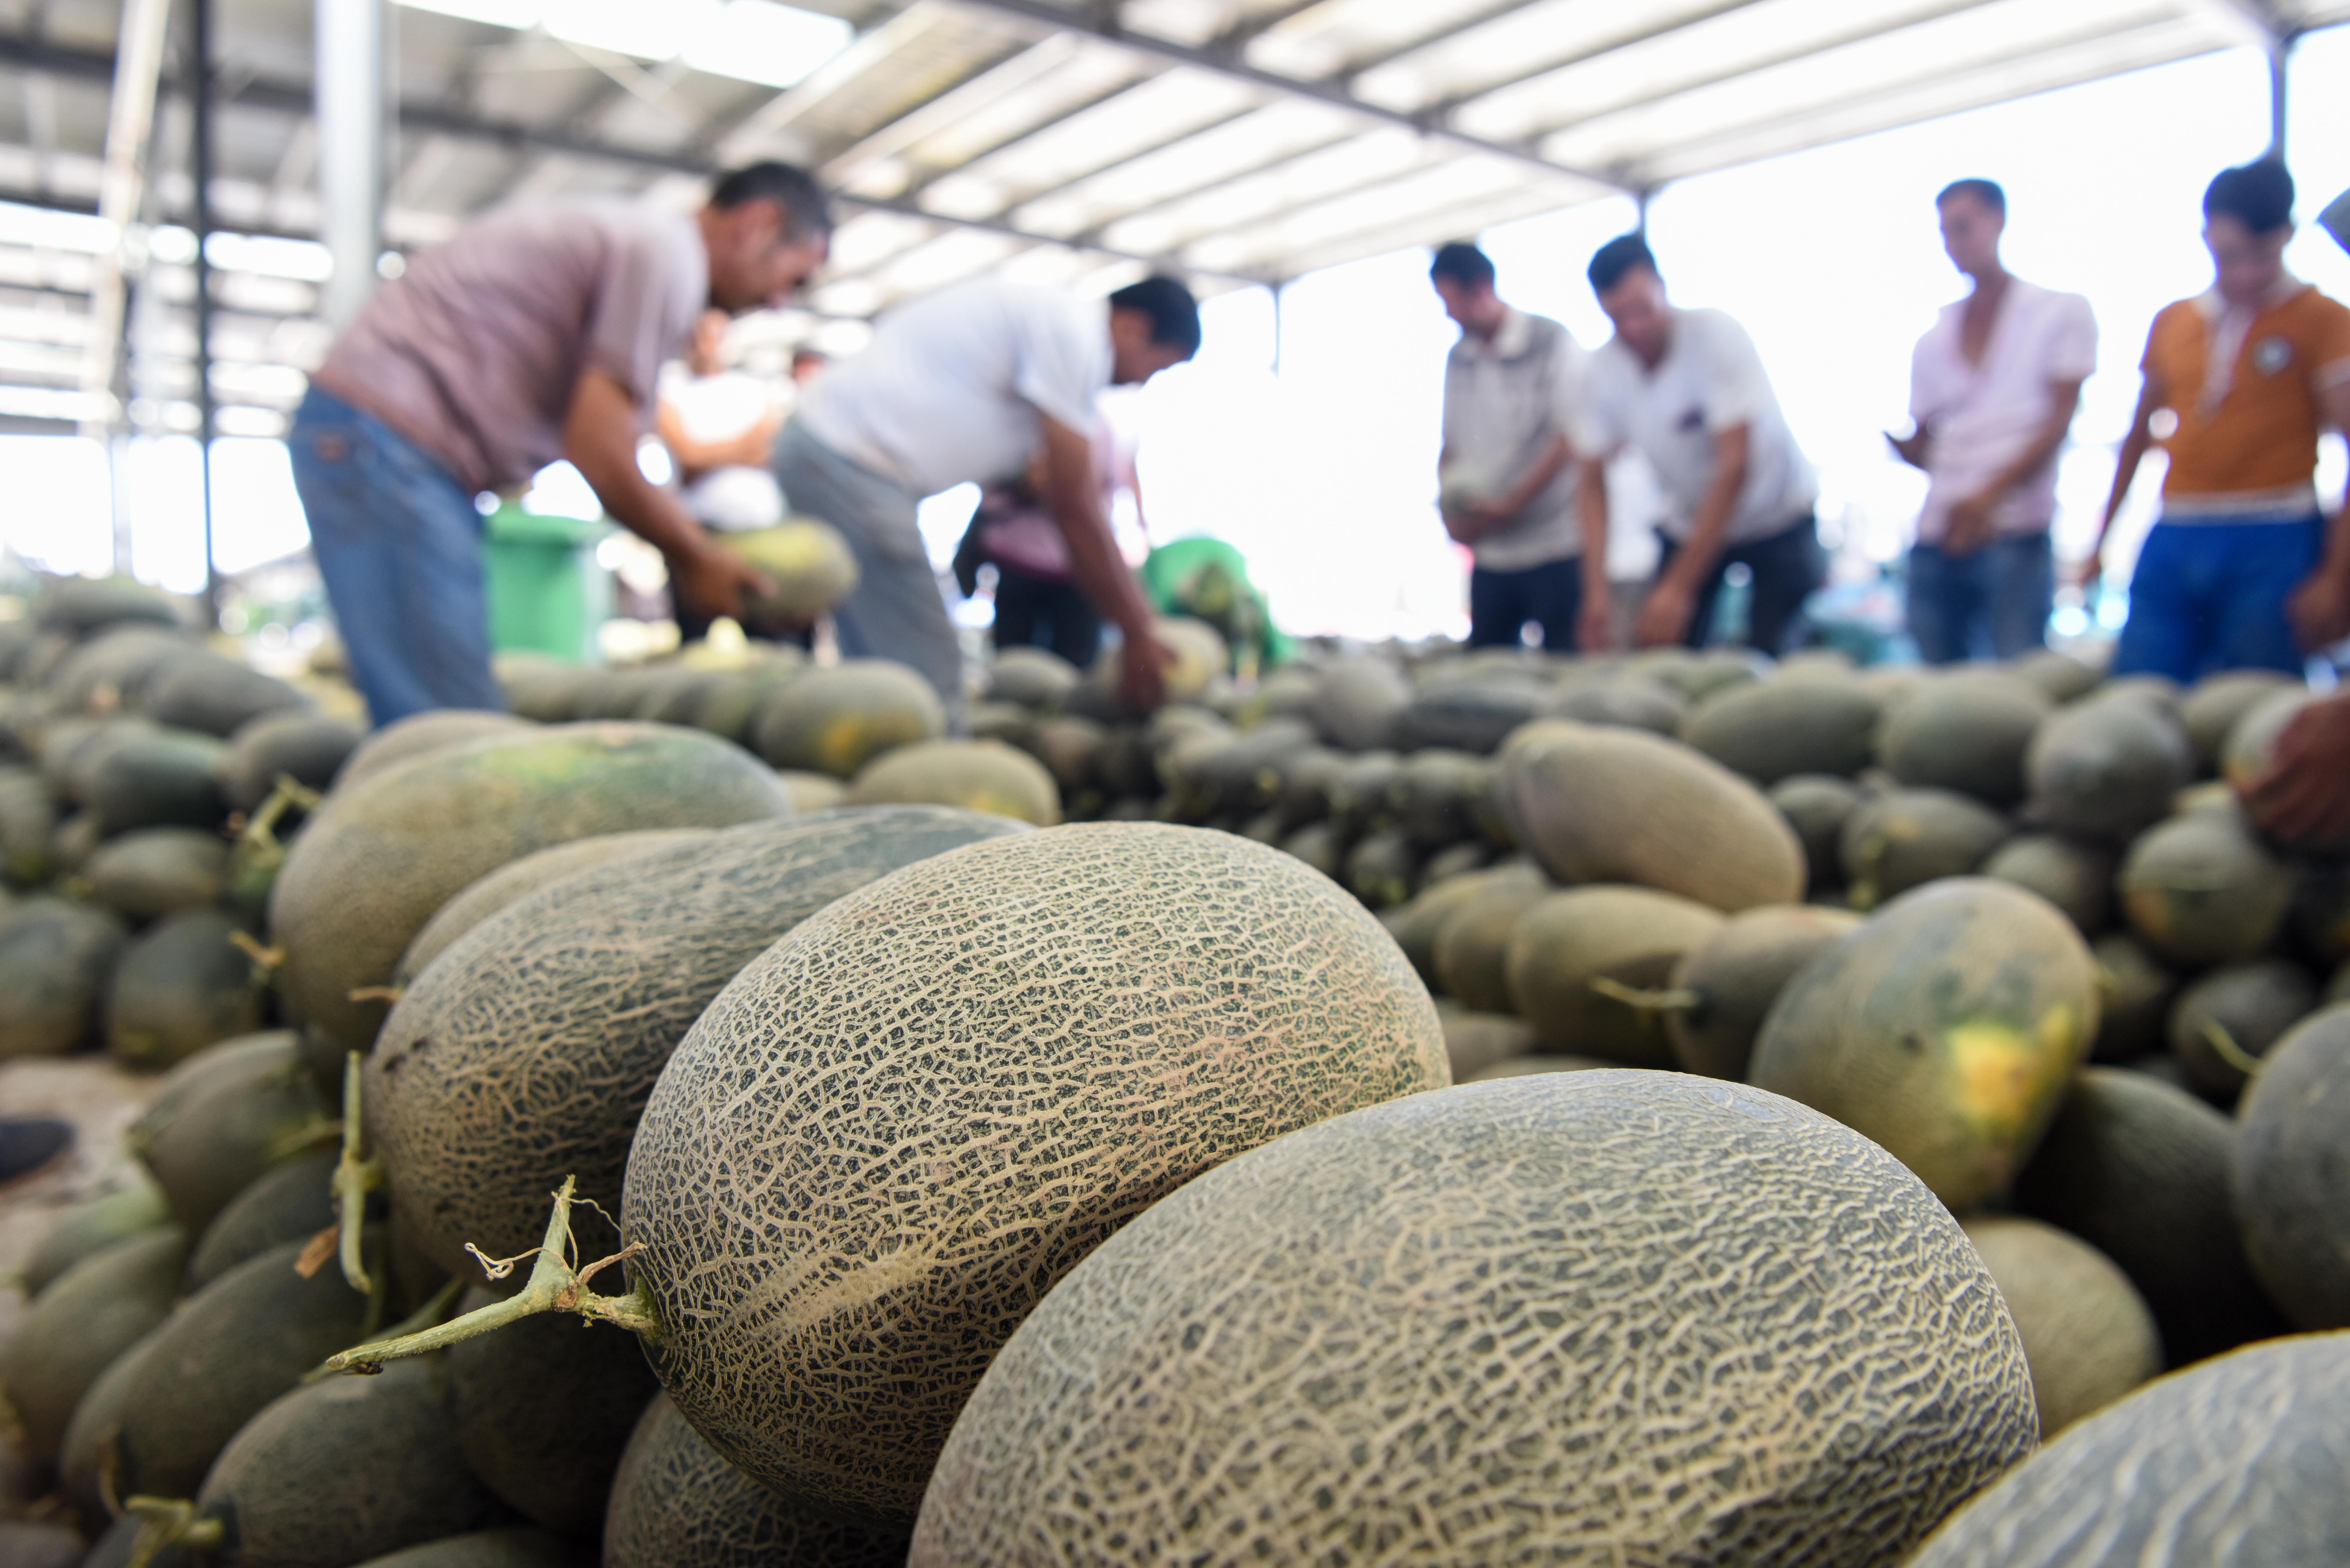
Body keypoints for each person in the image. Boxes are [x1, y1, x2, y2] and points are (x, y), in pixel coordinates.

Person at [291, 163, 832, 724]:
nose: (779, 304)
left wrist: (710, 559)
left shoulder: (652, 250)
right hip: (385, 443)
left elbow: (622, 442)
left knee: (444, 711)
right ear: (759, 225)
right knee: (446, 726)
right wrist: (696, 558)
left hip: (386, 448)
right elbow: (599, 448)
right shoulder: (664, 255)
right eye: (794, 279)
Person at [778, 275, 1200, 713]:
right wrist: (1138, 631)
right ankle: (932, 778)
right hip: (849, 464)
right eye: (1158, 366)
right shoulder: (1074, 334)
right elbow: (1075, 504)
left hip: (831, 456)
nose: (1142, 382)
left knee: (884, 674)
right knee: (931, 680)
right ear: (1133, 327)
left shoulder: (1049, 325)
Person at [2084, 160, 2350, 680]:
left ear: (2287, 237)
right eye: (2231, 255)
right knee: (2142, 687)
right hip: (2177, 525)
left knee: (2253, 699)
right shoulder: (2174, 321)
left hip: (2276, 531)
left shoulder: (2322, 319)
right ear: (2206, 233)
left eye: (2263, 256)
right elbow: (2137, 439)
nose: (2246, 273)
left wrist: (2337, 576)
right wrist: (2100, 542)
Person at [1574, 233, 1823, 654]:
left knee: (1773, 651)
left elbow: (1734, 468)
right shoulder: (1601, 372)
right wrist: (1597, 594)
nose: (1634, 327)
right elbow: (1590, 482)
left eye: (1642, 310)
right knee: (1663, 647)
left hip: (1775, 517)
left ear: (1662, 287)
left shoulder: (1714, 335)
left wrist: (1677, 588)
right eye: (1618, 317)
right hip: (1689, 523)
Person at [1893, 179, 2096, 662]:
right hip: (1939, 531)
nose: (1952, 244)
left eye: (1962, 227)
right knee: (1938, 677)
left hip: (2014, 527)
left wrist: (1988, 497)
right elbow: (1925, 444)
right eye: (1945, 232)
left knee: (2016, 671)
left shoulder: (2058, 313)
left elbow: (2058, 421)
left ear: (1997, 221)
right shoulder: (1932, 339)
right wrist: (1906, 449)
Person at [1429, 241, 1589, 651]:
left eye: (1452, 301)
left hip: (1555, 545)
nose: (1449, 314)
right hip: (1492, 553)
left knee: (1561, 662)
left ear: (1482, 288)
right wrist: (1450, 510)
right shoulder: (1458, 357)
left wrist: (1513, 504)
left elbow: (1570, 436)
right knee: (1485, 665)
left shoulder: (1551, 341)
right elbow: (1452, 443)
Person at [658, 309, 786, 537]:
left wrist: (709, 455)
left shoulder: (753, 387)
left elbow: (774, 447)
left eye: (716, 337)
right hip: (700, 524)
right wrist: (745, 448)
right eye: (700, 336)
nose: (707, 346)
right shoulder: (670, 388)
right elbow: (688, 455)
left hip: (762, 521)